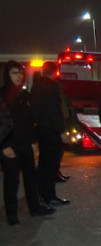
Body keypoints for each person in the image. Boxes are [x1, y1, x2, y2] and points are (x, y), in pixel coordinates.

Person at [0, 61, 55, 225]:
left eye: (20, 73)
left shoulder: (24, 95)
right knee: (11, 181)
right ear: (7, 75)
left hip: (25, 143)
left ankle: (35, 207)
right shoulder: (2, 95)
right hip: (9, 145)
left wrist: (33, 141)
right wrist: (4, 146)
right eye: (14, 73)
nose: (19, 76)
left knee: (31, 177)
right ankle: (12, 214)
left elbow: (29, 120)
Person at [32, 61, 70, 207]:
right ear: (55, 71)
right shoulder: (51, 87)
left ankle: (41, 194)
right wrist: (61, 131)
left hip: (42, 130)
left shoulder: (37, 86)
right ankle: (49, 196)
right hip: (52, 132)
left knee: (44, 163)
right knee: (51, 165)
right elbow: (54, 112)